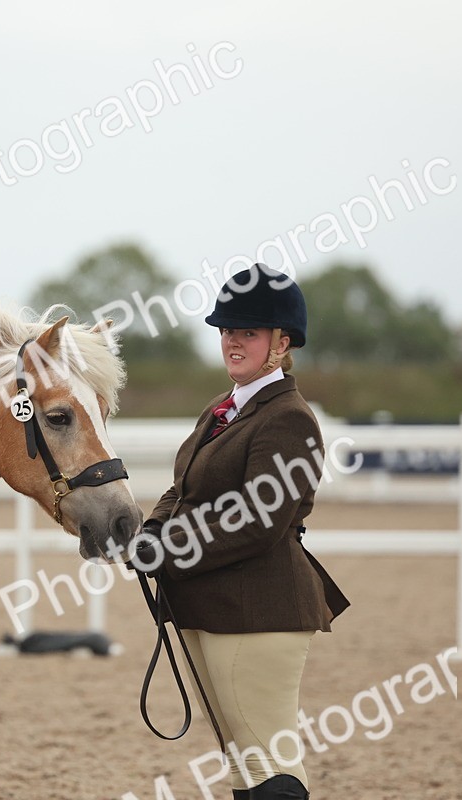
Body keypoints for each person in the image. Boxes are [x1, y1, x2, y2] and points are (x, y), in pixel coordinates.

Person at [135, 263, 349, 800]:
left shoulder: (288, 419)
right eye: (227, 330)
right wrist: (151, 531)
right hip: (209, 604)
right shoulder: (222, 408)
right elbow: (184, 487)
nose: (232, 341)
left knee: (271, 761)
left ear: (282, 343)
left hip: (259, 609)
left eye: (247, 332)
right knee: (245, 766)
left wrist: (169, 549)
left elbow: (257, 520)